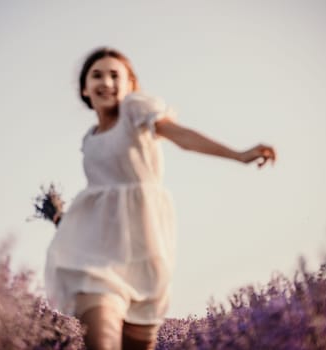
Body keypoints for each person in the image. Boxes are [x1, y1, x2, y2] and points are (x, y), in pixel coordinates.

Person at [43, 47, 276, 350]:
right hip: (97, 260)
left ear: (131, 85)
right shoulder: (89, 140)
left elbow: (182, 137)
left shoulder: (136, 112)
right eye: (97, 75)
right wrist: (66, 221)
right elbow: (97, 198)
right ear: (84, 89)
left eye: (116, 75)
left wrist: (238, 154)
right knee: (101, 340)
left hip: (145, 253)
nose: (107, 82)